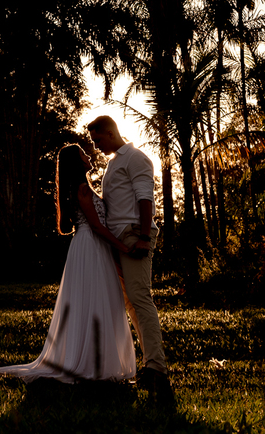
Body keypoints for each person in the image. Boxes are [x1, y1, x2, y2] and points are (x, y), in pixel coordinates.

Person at [0, 144, 137, 383]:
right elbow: (96, 226)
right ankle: (89, 361)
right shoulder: (82, 188)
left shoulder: (84, 187)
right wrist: (124, 248)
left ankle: (98, 359)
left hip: (92, 247)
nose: (88, 155)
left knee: (96, 300)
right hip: (90, 246)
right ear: (76, 161)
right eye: (84, 153)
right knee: (92, 300)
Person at [87, 114, 174, 406]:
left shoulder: (135, 157)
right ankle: (151, 367)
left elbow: (145, 198)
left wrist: (145, 237)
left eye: (98, 139)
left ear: (111, 132)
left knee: (140, 297)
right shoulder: (113, 163)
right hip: (119, 239)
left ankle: (158, 371)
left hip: (134, 234)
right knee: (130, 303)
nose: (96, 146)